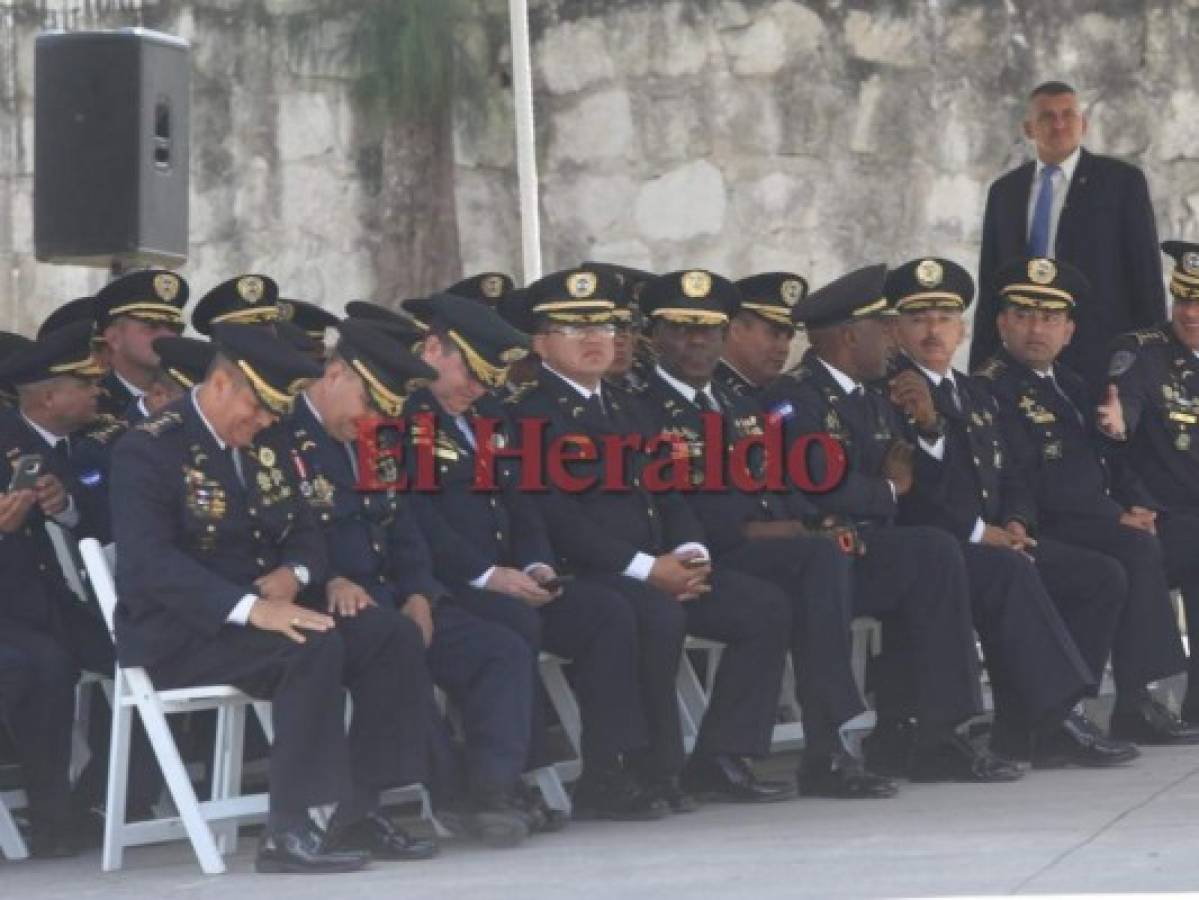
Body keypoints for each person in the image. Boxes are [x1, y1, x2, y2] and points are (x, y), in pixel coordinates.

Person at [110, 323, 435, 874]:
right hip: (184, 628)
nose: (264, 423)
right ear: (220, 385)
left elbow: (309, 526)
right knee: (310, 648)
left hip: (267, 612)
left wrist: (299, 570)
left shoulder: (267, 442)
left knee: (389, 635)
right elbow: (148, 564)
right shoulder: (149, 448)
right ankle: (288, 829)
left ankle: (356, 810)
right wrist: (253, 609)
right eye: (257, 409)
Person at [511, 267, 795, 806]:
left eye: (604, 326)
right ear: (540, 341)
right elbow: (559, 519)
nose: (596, 339)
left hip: (657, 568)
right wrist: (647, 569)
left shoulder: (625, 405)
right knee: (642, 613)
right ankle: (620, 770)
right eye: (575, 329)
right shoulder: (533, 415)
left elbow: (671, 493)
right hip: (590, 573)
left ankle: (722, 755)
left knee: (763, 607)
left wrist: (690, 556)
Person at [401, 293, 668, 821]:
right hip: (453, 585)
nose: (477, 388)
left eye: (486, 378)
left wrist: (538, 563)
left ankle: (605, 772)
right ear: (433, 349)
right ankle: (503, 780)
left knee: (605, 613)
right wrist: (485, 575)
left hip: (514, 577)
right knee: (510, 628)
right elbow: (415, 518)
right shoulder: (404, 417)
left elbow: (522, 503)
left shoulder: (491, 413)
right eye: (470, 373)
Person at [634, 267, 895, 799]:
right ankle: (814, 741)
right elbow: (670, 504)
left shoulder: (739, 405)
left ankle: (822, 746)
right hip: (682, 561)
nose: (698, 341)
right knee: (785, 589)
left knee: (819, 558)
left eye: (709, 329)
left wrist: (806, 522)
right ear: (654, 335)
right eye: (682, 329)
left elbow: (784, 482)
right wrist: (772, 530)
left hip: (747, 549)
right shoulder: (640, 407)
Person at [286, 316, 547, 846]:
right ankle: (448, 796)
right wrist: (330, 577)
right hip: (334, 604)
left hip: (397, 595)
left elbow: (402, 530)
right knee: (398, 650)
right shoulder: (281, 438)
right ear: (336, 374)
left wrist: (421, 594)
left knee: (499, 649)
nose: (378, 419)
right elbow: (281, 536)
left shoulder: (369, 434)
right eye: (373, 404)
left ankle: (493, 789)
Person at [761, 265, 1020, 783]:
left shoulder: (876, 394)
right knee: (886, 558)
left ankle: (941, 732)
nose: (894, 339)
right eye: (884, 328)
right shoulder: (794, 399)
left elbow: (922, 481)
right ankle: (827, 748)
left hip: (864, 544)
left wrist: (927, 427)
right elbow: (814, 485)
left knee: (933, 553)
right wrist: (885, 490)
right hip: (814, 552)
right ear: (849, 336)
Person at [882, 256, 1141, 766]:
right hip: (942, 545)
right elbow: (917, 493)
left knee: (1100, 576)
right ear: (895, 330)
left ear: (961, 329)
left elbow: (1013, 471)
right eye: (918, 320)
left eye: (944, 320)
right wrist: (983, 533)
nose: (933, 331)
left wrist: (1017, 521)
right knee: (1009, 571)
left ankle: (1038, 722)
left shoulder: (973, 391)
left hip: (996, 535)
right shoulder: (891, 392)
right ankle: (1052, 719)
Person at [973, 255, 1196, 744]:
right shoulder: (990, 387)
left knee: (1137, 543)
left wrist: (1134, 506)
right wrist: (1115, 516)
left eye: (1050, 319)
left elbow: (1107, 462)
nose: (1037, 329)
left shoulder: (1069, 385)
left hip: (1088, 518)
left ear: (1070, 330)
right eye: (1024, 316)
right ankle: (1090, 707)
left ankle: (1124, 702)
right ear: (1002, 322)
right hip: (1041, 524)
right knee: (1123, 558)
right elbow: (1024, 477)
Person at [0, 320, 115, 856]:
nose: (99, 392)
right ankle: (51, 819)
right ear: (50, 396)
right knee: (44, 665)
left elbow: (105, 521)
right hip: (12, 612)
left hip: (58, 604)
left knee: (142, 654)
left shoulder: (75, 448)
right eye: (85, 384)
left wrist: (63, 505)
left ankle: (104, 799)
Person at [971, 80, 1165, 394]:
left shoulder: (1121, 183)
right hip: (1020, 355)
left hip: (1099, 357)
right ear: (1029, 129)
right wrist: (979, 373)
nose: (1059, 124)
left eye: (1068, 115)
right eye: (1047, 117)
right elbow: (991, 283)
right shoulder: (1005, 192)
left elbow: (1146, 279)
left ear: (1084, 124)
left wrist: (1153, 369)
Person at [1105, 240, 1199, 724]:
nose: (1191, 313)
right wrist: (1117, 422)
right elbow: (1125, 418)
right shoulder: (1140, 352)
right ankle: (1140, 700)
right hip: (1159, 515)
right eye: (1183, 299)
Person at [93, 270, 188, 417]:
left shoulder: (191, 398)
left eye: (175, 327)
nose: (167, 336)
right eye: (152, 325)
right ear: (114, 338)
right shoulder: (93, 404)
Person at [715, 272, 805, 398]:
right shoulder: (707, 393)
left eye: (789, 337)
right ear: (736, 331)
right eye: (774, 334)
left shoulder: (782, 394)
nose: (784, 349)